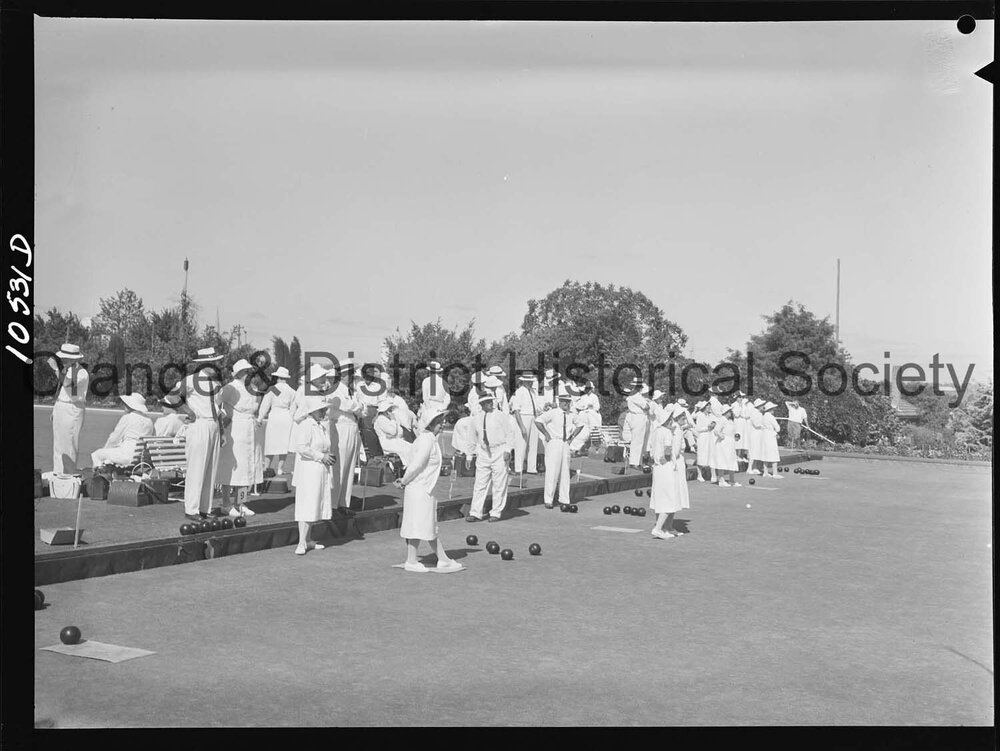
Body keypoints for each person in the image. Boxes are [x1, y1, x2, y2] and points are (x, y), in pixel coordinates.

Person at [393, 405, 462, 573]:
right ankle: (415, 560)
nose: (442, 424)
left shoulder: (430, 439)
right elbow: (416, 465)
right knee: (421, 525)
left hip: (424, 488)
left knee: (426, 525)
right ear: (430, 424)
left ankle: (440, 559)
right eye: (439, 422)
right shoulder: (426, 440)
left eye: (442, 421)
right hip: (419, 488)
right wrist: (404, 480)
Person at [169, 347, 225, 522]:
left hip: (213, 425)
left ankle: (204, 508)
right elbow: (172, 397)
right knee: (196, 467)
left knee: (210, 469)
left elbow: (218, 410)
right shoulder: (190, 380)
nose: (216, 365)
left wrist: (221, 432)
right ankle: (191, 508)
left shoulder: (216, 384)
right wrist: (188, 411)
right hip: (198, 424)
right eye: (212, 362)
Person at [291, 396, 337, 555]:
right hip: (309, 470)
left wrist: (326, 456)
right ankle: (301, 542)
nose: (324, 412)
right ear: (313, 411)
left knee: (315, 503)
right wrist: (321, 456)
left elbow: (323, 446)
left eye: (324, 409)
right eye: (321, 409)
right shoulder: (306, 425)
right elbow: (301, 448)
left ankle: (308, 540)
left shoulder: (320, 426)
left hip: (320, 470)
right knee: (307, 504)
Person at [216, 359, 260, 518]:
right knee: (230, 468)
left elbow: (254, 409)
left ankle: (240, 503)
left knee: (246, 468)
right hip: (234, 431)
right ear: (239, 373)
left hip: (250, 431)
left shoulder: (253, 388)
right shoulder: (229, 388)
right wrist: (224, 419)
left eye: (250, 371)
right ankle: (226, 504)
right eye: (246, 371)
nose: (249, 374)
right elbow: (216, 405)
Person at [466, 393, 515, 523]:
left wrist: (507, 449)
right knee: (480, 484)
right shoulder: (476, 418)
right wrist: (469, 456)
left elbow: (510, 433)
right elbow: (472, 437)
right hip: (483, 452)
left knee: (499, 483)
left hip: (499, 450)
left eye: (491, 401)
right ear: (481, 404)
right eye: (487, 402)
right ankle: (476, 512)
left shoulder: (501, 416)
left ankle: (496, 512)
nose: (490, 403)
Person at [326, 357, 365, 513]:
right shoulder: (335, 389)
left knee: (349, 468)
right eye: (350, 374)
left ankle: (343, 503)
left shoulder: (350, 391)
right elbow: (350, 406)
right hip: (340, 426)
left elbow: (362, 409)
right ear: (342, 375)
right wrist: (358, 407)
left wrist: (358, 407)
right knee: (339, 466)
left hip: (352, 427)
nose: (352, 378)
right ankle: (334, 503)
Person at [534, 392, 583, 509]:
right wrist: (546, 434)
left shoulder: (571, 415)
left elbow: (580, 425)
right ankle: (548, 499)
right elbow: (538, 421)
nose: (567, 404)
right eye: (565, 401)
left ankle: (564, 499)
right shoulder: (552, 413)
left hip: (565, 443)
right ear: (560, 401)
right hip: (554, 442)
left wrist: (572, 437)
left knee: (565, 472)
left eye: (568, 401)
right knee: (552, 472)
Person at [291, 363, 335, 489]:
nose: (324, 379)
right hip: (310, 430)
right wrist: (310, 421)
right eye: (321, 377)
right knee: (307, 461)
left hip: (320, 429)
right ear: (314, 378)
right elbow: (298, 414)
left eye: (324, 376)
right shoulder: (306, 391)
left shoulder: (320, 392)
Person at [48, 343, 89, 473]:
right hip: (63, 407)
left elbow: (67, 384)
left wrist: (55, 369)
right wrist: (56, 408)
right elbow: (65, 391)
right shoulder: (70, 370)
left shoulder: (80, 372)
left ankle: (67, 476)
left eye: (64, 358)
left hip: (72, 409)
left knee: (68, 445)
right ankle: (58, 474)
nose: (62, 360)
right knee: (59, 445)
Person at [649, 406, 688, 539]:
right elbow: (667, 450)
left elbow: (652, 451)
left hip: (657, 469)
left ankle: (667, 528)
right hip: (666, 468)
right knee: (669, 498)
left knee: (661, 498)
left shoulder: (656, 431)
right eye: (670, 418)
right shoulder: (666, 432)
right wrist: (666, 460)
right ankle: (658, 528)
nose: (672, 420)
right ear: (665, 421)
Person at [90, 392, 156, 467]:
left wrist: (105, 448)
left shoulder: (128, 418)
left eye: (126, 403)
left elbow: (114, 439)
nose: (124, 405)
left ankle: (97, 477)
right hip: (140, 457)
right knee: (107, 454)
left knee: (96, 454)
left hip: (126, 455)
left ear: (131, 405)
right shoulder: (149, 421)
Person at [259, 366, 296, 475]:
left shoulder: (273, 389)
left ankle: (267, 467)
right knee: (283, 444)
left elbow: (265, 405)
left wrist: (260, 417)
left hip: (275, 416)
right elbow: (293, 408)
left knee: (271, 443)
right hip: (286, 416)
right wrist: (291, 417)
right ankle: (280, 468)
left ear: (278, 377)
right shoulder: (292, 391)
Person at [509, 371, 543, 474]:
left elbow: (536, 407)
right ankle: (519, 468)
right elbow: (516, 410)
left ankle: (531, 468)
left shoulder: (533, 392)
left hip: (533, 417)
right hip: (523, 417)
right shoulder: (520, 391)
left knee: (533, 444)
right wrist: (521, 426)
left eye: (531, 381)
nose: (530, 383)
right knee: (521, 443)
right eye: (528, 381)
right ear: (523, 382)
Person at [624, 379, 653, 468]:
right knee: (638, 440)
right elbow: (646, 406)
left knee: (641, 440)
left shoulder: (637, 395)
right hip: (638, 417)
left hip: (641, 417)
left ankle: (638, 461)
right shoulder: (635, 395)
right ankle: (634, 462)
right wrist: (648, 403)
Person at [373, 398, 413, 464]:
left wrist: (394, 421)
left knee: (412, 447)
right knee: (406, 450)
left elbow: (398, 431)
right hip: (388, 443)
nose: (391, 411)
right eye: (389, 410)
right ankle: (408, 468)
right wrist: (393, 420)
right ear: (385, 411)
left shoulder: (387, 419)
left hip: (395, 440)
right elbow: (392, 431)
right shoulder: (381, 419)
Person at [711, 404, 741, 487]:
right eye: (728, 411)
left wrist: (735, 437)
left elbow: (732, 431)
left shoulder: (730, 421)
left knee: (732, 461)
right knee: (722, 461)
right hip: (723, 445)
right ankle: (721, 480)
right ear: (725, 412)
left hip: (730, 444)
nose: (730, 412)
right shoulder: (722, 420)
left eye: (730, 411)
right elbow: (716, 431)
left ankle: (732, 480)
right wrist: (721, 436)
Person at [570, 380, 602, 455]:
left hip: (592, 415)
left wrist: (591, 407)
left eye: (589, 389)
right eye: (587, 389)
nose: (588, 390)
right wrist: (584, 407)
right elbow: (578, 406)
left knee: (594, 431)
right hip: (584, 415)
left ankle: (595, 448)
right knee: (582, 431)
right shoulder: (583, 397)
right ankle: (575, 448)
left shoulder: (594, 397)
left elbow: (597, 407)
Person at [692, 401, 717, 483]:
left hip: (710, 437)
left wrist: (713, 425)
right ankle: (699, 475)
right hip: (702, 437)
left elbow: (715, 422)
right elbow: (698, 428)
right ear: (704, 407)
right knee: (702, 455)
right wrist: (707, 427)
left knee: (712, 455)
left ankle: (713, 475)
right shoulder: (700, 416)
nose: (709, 407)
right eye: (707, 406)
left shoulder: (711, 416)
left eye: (710, 406)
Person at [759, 402, 783, 478]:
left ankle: (765, 472)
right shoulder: (771, 417)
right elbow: (778, 428)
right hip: (770, 437)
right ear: (771, 409)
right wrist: (776, 432)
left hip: (764, 436)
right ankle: (775, 473)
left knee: (765, 453)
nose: (774, 410)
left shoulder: (763, 416)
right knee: (773, 454)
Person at [747, 398, 766, 475]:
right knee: (753, 450)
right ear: (758, 406)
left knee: (757, 450)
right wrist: (763, 425)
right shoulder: (754, 413)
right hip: (754, 434)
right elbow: (756, 424)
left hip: (759, 434)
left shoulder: (759, 413)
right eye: (762, 405)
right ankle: (749, 468)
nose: (763, 406)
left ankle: (755, 467)